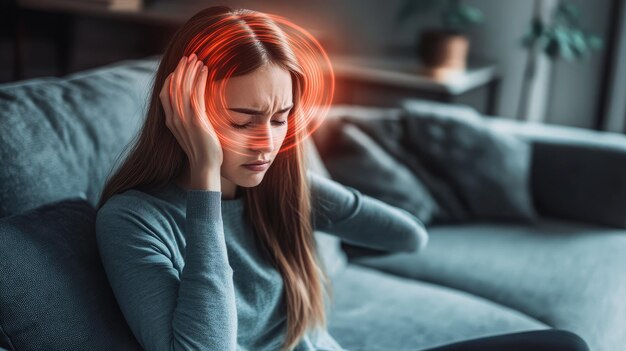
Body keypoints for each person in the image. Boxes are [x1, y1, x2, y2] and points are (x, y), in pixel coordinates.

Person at [95, 5, 589, 351]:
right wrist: (205, 180)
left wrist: (300, 190)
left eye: (280, 116)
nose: (267, 142)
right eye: (243, 120)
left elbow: (407, 236)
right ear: (184, 116)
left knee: (562, 345)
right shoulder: (134, 220)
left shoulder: (271, 190)